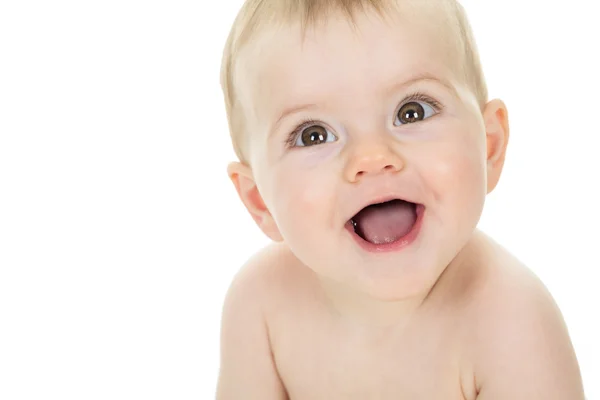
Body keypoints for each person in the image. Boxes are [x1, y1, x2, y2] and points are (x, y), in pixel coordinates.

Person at [216, 0, 585, 398]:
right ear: (260, 202)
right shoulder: (261, 303)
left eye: (412, 112)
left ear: (489, 146)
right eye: (313, 135)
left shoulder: (509, 321)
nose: (372, 158)